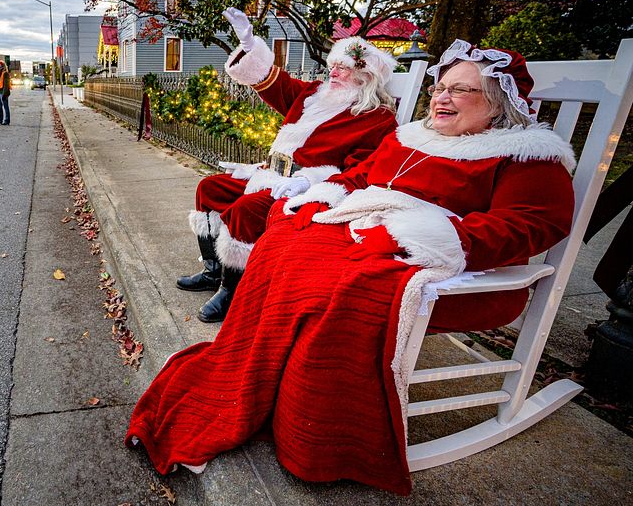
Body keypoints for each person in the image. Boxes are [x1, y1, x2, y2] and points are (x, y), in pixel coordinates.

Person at [126, 40, 576, 494]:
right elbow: (361, 177)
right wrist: (314, 198)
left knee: (333, 285)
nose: (441, 97)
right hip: (367, 229)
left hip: (444, 265)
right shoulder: (414, 137)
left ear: (498, 105)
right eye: (440, 87)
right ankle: (265, 376)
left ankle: (318, 433)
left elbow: (535, 223)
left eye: (460, 91)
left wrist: (417, 238)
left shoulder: (525, 156)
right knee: (284, 242)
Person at [179, 7, 398, 322]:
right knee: (209, 188)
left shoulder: (375, 118)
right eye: (332, 66)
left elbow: (359, 171)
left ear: (364, 77)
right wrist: (251, 46)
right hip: (271, 176)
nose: (333, 74)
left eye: (343, 68)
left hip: (305, 192)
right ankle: (214, 270)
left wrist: (310, 183)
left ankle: (232, 289)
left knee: (244, 210)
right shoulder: (314, 96)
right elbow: (275, 83)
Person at [0, 61, 11, 125]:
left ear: (4, 66)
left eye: (1, 65)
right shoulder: (0, 73)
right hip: (0, 92)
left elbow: (6, 85)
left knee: (5, 107)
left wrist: (4, 94)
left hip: (4, 92)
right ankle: (0, 119)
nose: (0, 66)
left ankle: (7, 121)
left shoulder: (5, 73)